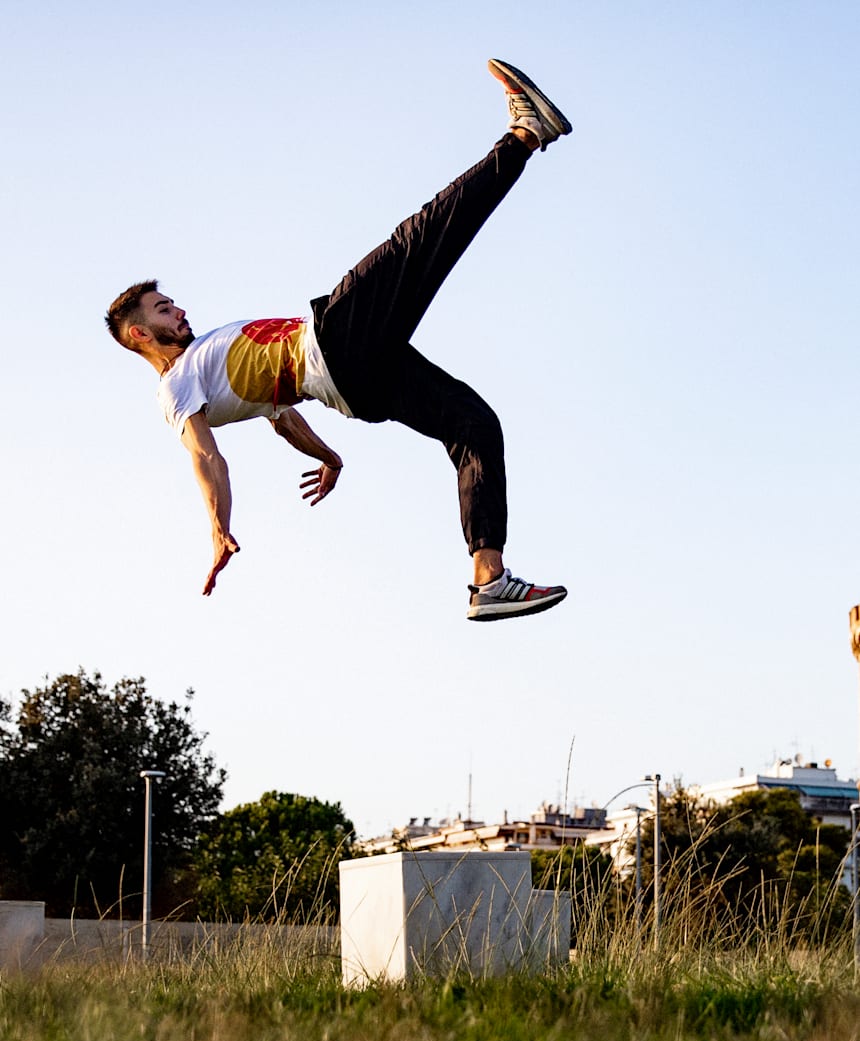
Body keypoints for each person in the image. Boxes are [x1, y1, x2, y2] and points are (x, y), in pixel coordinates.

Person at [105, 59, 571, 621]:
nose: (177, 310)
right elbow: (206, 455)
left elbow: (279, 415)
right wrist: (218, 528)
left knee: (473, 424)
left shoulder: (214, 368)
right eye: (163, 310)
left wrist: (327, 455)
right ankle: (525, 134)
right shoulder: (177, 386)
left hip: (355, 387)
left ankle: (488, 579)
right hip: (336, 343)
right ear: (139, 333)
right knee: (419, 239)